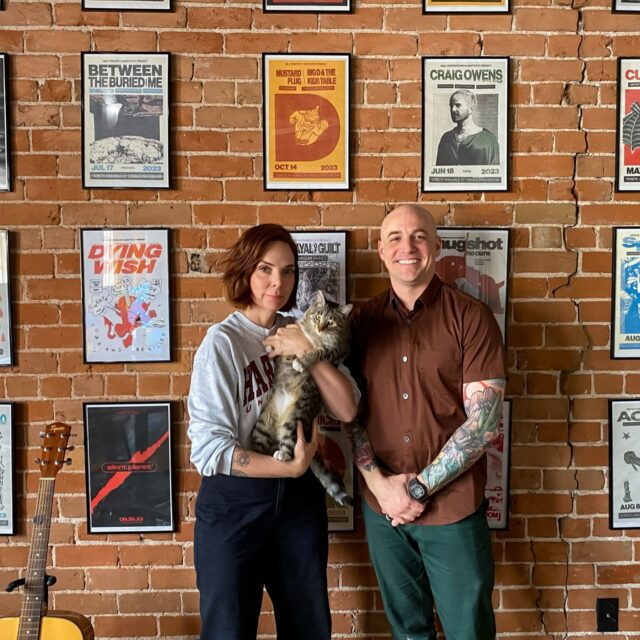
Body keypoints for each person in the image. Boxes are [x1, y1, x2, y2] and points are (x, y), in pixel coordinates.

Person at [187, 224, 358, 640]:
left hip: (298, 505)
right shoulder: (222, 343)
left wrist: (307, 350)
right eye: (265, 269)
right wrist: (291, 468)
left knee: (308, 629)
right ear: (247, 271)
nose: (277, 282)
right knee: (228, 631)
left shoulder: (304, 329)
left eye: (288, 271)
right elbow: (209, 451)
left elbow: (348, 407)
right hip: (234, 505)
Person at [347, 204, 507, 640]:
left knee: (467, 631)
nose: (407, 247)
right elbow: (349, 415)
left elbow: (483, 424)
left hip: (453, 509)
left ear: (436, 247)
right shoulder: (360, 323)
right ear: (381, 251)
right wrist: (381, 487)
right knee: (408, 632)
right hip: (384, 513)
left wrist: (416, 490)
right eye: (395, 237)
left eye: (419, 236)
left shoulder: (470, 317)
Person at [435, 89, 500, 166]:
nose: (453, 109)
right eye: (451, 106)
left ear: (471, 108)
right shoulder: (446, 138)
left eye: (458, 105)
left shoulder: (488, 139)